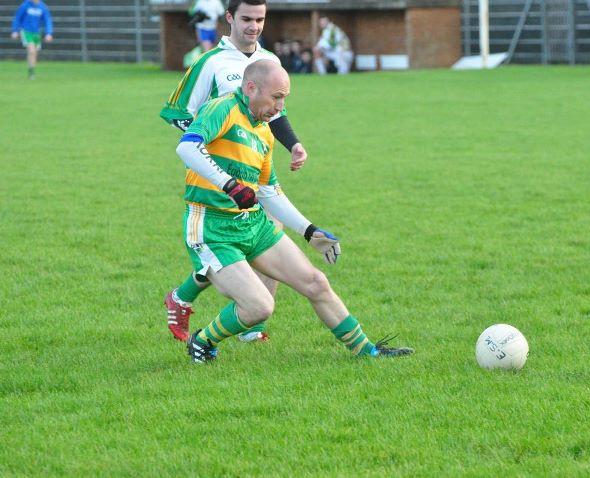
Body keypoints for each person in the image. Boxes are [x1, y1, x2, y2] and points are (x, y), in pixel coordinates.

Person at [176, 60, 413, 363]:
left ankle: (368, 351)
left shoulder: (263, 131)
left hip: (253, 225)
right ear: (251, 88)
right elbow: (187, 147)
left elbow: (268, 192)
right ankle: (203, 341)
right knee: (259, 307)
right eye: (276, 97)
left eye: (284, 98)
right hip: (212, 228)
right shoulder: (222, 109)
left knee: (316, 283)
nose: (280, 107)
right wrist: (230, 185)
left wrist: (309, 231)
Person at [160, 0, 310, 343]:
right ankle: (188, 299)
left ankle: (247, 324)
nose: (253, 26)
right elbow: (177, 111)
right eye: (246, 18)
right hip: (217, 175)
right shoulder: (210, 62)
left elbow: (275, 113)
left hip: (255, 166)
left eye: (260, 19)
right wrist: (209, 145)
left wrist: (294, 144)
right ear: (229, 17)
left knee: (267, 233)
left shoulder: (269, 61)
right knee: (229, 245)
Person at [11, 0, 53, 80]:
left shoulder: (42, 6)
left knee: (34, 53)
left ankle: (31, 71)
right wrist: (15, 30)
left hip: (36, 33)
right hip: (26, 31)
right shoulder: (25, 5)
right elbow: (17, 18)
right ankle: (31, 73)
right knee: (32, 50)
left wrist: (49, 33)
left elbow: (47, 20)